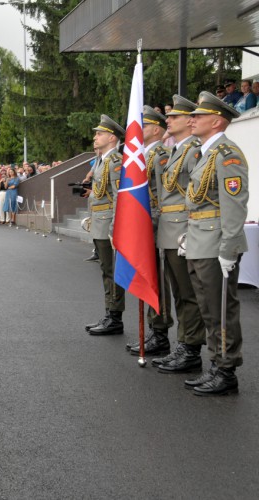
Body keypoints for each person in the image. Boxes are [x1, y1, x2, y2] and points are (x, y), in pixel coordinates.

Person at [184, 91, 249, 396]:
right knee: (208, 309)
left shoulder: (227, 155)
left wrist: (229, 248)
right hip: (200, 239)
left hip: (216, 243)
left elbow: (234, 205)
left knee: (222, 309)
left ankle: (226, 370)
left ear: (217, 120)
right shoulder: (204, 154)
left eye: (199, 115)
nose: (192, 120)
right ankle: (216, 363)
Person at [146, 95, 206, 373]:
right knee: (180, 293)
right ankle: (182, 345)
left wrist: (190, 230)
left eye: (174, 117)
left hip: (182, 230)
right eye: (168, 117)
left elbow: (196, 196)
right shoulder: (175, 152)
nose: (168, 120)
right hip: (169, 230)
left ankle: (190, 348)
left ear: (190, 121)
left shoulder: (194, 151)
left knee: (187, 293)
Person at [125, 106, 173, 357]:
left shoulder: (161, 155)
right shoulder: (141, 154)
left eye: (143, 126)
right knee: (147, 277)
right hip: (144, 223)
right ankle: (155, 329)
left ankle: (160, 332)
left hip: (154, 224)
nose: (138, 130)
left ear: (156, 130)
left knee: (157, 280)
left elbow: (164, 195)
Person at [85, 115, 126, 336]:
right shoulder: (102, 160)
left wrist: (114, 228)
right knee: (106, 271)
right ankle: (109, 312)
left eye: (99, 134)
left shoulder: (115, 161)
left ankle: (115, 317)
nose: (95, 137)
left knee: (112, 272)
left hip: (108, 222)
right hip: (100, 221)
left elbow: (120, 196)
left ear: (112, 137)